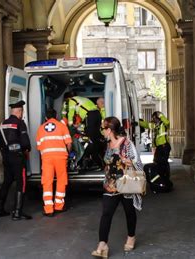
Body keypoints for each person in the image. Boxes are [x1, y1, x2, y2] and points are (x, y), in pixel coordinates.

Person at [91, 117, 143, 258]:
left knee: (129, 212)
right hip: (111, 185)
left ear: (109, 130)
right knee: (106, 213)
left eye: (103, 128)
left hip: (126, 183)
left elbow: (138, 163)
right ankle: (102, 244)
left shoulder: (127, 143)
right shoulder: (108, 145)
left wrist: (129, 162)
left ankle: (131, 237)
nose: (102, 131)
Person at [0, 100, 32, 220]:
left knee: (6, 182)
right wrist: (25, 150)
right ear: (19, 112)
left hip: (6, 159)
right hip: (18, 159)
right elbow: (25, 144)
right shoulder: (20, 123)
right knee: (21, 183)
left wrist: (6, 150)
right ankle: (17, 212)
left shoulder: (3, 124)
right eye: (22, 111)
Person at [35, 108, 72, 217]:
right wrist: (67, 154)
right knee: (61, 180)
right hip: (61, 158)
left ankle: (48, 209)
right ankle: (59, 206)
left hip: (47, 158)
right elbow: (69, 143)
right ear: (56, 116)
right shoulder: (62, 126)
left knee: (47, 181)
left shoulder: (41, 128)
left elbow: (39, 146)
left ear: (46, 117)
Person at [62, 92, 104, 169]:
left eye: (66, 101)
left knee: (89, 140)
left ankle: (94, 161)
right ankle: (97, 159)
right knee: (95, 138)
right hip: (97, 114)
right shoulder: (81, 99)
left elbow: (70, 113)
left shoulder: (72, 100)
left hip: (90, 115)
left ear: (68, 98)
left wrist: (71, 125)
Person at [139, 111, 171, 182]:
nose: (153, 119)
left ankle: (165, 178)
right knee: (158, 162)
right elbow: (147, 125)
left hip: (164, 146)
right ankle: (161, 177)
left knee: (163, 163)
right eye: (153, 118)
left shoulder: (163, 124)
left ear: (158, 117)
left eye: (154, 118)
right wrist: (138, 122)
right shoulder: (155, 125)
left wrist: (161, 115)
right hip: (160, 147)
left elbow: (167, 123)